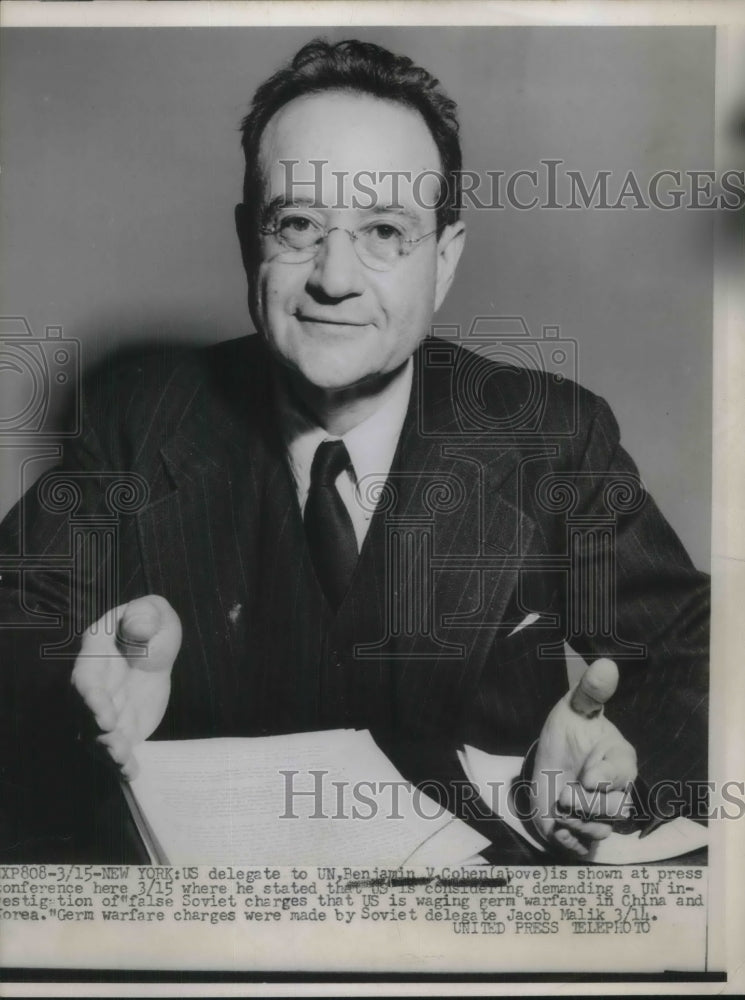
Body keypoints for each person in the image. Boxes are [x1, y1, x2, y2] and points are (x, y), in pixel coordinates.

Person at [0, 39, 708, 862]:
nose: (333, 276)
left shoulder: (549, 435)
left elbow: (705, 659)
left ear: (442, 261)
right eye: (297, 224)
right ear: (247, 241)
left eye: (383, 230)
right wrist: (83, 694)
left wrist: (613, 761)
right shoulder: (141, 417)